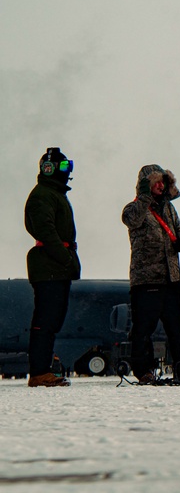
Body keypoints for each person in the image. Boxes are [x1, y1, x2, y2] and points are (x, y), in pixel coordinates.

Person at [122, 164, 180, 384]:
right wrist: (143, 197)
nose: (161, 186)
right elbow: (132, 221)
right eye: (156, 182)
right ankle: (144, 372)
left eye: (163, 182)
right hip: (146, 280)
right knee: (143, 329)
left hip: (172, 278)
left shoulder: (169, 209)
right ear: (145, 185)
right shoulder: (133, 208)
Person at [24, 147, 81, 387]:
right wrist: (65, 258)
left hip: (55, 267)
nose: (67, 172)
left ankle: (43, 369)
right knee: (45, 322)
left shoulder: (53, 194)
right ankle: (39, 372)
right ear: (51, 169)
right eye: (64, 167)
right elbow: (45, 230)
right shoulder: (43, 195)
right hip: (50, 267)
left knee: (52, 321)